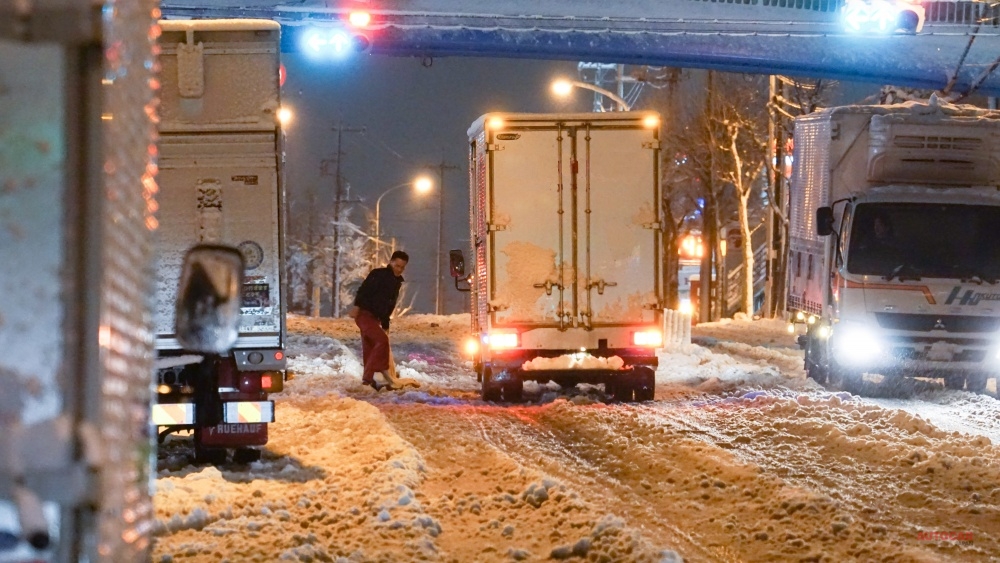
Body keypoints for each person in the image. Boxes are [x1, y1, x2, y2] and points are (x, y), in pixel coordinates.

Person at [350, 250, 408, 390]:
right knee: (382, 341)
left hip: (375, 318)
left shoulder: (396, 283)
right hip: (364, 315)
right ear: (391, 262)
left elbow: (388, 305)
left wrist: (385, 322)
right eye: (397, 265)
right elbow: (363, 291)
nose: (399, 269)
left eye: (402, 267)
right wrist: (357, 306)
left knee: (370, 348)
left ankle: (374, 381)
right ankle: (368, 379)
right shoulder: (378, 275)